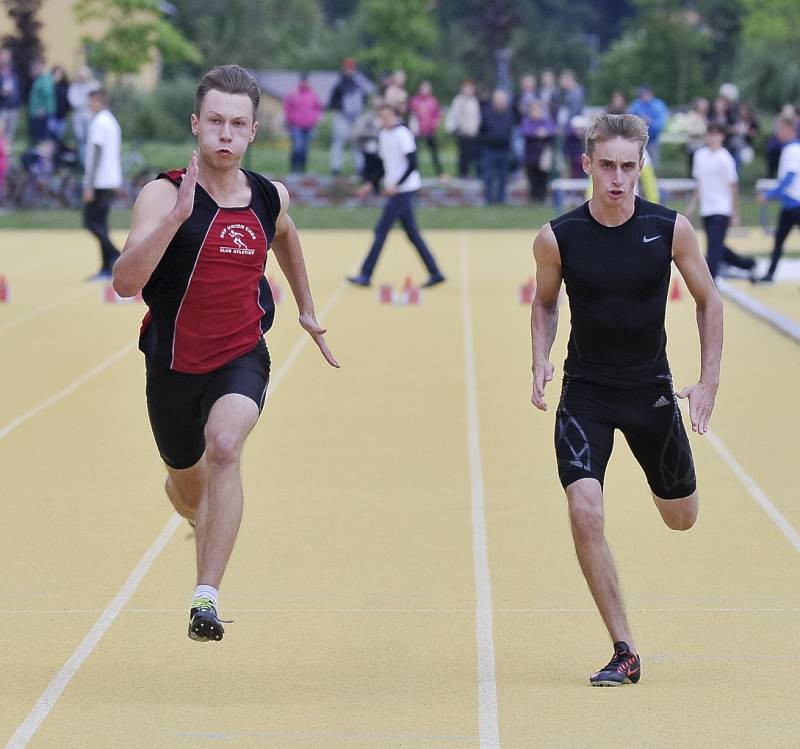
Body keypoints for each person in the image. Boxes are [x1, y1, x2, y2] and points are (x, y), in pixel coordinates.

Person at [112, 64, 338, 643]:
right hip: (170, 365)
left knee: (226, 447)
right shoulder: (161, 194)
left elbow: (285, 233)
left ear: (254, 131)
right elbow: (124, 282)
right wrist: (178, 218)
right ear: (195, 124)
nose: (225, 135)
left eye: (238, 124)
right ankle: (196, 511)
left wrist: (307, 307)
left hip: (241, 355)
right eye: (215, 121)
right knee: (189, 488)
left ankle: (205, 598)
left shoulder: (269, 195)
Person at [530, 113, 723, 686]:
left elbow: (709, 302)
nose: (617, 178)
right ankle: (624, 648)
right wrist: (540, 355)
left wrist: (708, 380)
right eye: (607, 165)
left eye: (628, 167)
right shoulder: (557, 237)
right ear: (586, 165)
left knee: (681, 519)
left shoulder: (670, 230)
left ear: (641, 167)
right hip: (585, 391)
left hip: (650, 392)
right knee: (584, 510)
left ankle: (668, 476)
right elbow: (543, 304)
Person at [347, 103, 445, 288]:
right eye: (381, 118)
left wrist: (396, 186)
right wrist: (370, 183)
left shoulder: (403, 134)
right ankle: (436, 273)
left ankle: (366, 275)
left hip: (405, 190)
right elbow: (385, 166)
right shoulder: (383, 135)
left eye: (387, 117)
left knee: (381, 231)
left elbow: (412, 164)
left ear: (394, 116)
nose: (383, 121)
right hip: (396, 189)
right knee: (412, 234)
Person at [687, 122, 756, 281]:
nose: (712, 138)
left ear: (722, 137)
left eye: (716, 134)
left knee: (713, 248)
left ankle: (712, 280)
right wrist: (693, 204)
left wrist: (735, 212)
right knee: (716, 245)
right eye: (710, 134)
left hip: (722, 208)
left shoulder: (725, 158)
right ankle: (747, 264)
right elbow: (699, 183)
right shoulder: (700, 155)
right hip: (707, 208)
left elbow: (733, 187)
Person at [82, 87, 122, 281]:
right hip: (109, 179)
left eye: (90, 101)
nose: (89, 105)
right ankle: (107, 265)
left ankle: (115, 255)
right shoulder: (111, 121)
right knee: (100, 224)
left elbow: (97, 154)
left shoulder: (99, 122)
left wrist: (88, 184)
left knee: (92, 223)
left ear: (98, 100)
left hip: (99, 182)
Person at [757, 113, 800, 284]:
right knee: (779, 240)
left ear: (789, 129)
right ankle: (770, 274)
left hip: (796, 204)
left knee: (779, 240)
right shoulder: (790, 149)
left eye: (780, 129)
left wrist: (769, 195)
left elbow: (789, 178)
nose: (778, 133)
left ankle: (769, 274)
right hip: (789, 205)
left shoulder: (793, 150)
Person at [327, 57, 366, 176]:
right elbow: (332, 100)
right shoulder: (338, 82)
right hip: (341, 115)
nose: (349, 71)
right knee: (338, 141)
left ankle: (360, 168)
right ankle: (335, 168)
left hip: (356, 116)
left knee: (357, 142)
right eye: (347, 68)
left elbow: (365, 97)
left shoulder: (359, 81)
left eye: (352, 68)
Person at [283, 72, 322, 173]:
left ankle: (302, 169)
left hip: (309, 126)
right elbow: (287, 107)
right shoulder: (293, 94)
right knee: (297, 147)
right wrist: (290, 119)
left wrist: (314, 118)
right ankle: (294, 168)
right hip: (296, 125)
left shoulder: (313, 95)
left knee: (305, 148)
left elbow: (318, 108)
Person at [479, 89, 513, 204]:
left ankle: (501, 199)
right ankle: (488, 199)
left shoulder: (509, 113)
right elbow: (483, 129)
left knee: (503, 177)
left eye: (502, 101)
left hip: (504, 149)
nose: (500, 103)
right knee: (488, 176)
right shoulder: (487, 112)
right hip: (490, 149)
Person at [521, 100, 556, 203]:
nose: (536, 112)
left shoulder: (546, 121)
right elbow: (525, 131)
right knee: (532, 177)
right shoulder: (527, 121)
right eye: (534, 109)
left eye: (538, 109)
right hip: (531, 155)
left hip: (543, 155)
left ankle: (541, 198)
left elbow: (552, 131)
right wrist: (537, 133)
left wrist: (544, 133)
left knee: (543, 177)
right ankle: (533, 198)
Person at [445, 79, 481, 178]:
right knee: (464, 155)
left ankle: (476, 174)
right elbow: (453, 115)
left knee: (474, 154)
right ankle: (463, 174)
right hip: (463, 132)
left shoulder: (474, 100)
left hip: (473, 132)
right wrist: (453, 128)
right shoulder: (459, 100)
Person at [409, 80, 444, 177]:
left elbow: (438, 115)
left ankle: (440, 172)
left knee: (434, 152)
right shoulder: (414, 100)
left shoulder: (433, 101)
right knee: (415, 153)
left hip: (430, 131)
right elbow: (412, 115)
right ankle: (415, 172)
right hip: (417, 132)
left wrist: (435, 124)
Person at [628, 85, 668, 168]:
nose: (641, 97)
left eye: (643, 95)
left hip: (653, 139)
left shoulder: (658, 105)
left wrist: (650, 122)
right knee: (636, 163)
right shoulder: (636, 104)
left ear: (650, 94)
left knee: (653, 165)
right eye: (640, 95)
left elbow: (662, 123)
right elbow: (629, 120)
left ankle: (652, 180)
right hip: (638, 140)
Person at [68, 66, 99, 165]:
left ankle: (90, 162)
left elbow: (97, 96)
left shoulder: (93, 85)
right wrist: (85, 102)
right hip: (79, 116)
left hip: (90, 116)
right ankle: (83, 163)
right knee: (81, 140)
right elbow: (74, 101)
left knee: (90, 139)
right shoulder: (74, 86)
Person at [27, 59, 55, 143]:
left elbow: (47, 94)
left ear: (40, 67)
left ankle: (40, 155)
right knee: (37, 137)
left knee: (42, 137)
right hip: (35, 113)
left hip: (40, 114)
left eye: (35, 68)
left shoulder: (45, 79)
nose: (33, 71)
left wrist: (42, 108)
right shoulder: (39, 78)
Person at [0, 48, 21, 145]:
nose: (5, 59)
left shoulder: (13, 71)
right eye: (3, 56)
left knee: (9, 136)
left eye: (7, 56)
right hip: (2, 109)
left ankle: (5, 159)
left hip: (13, 109)